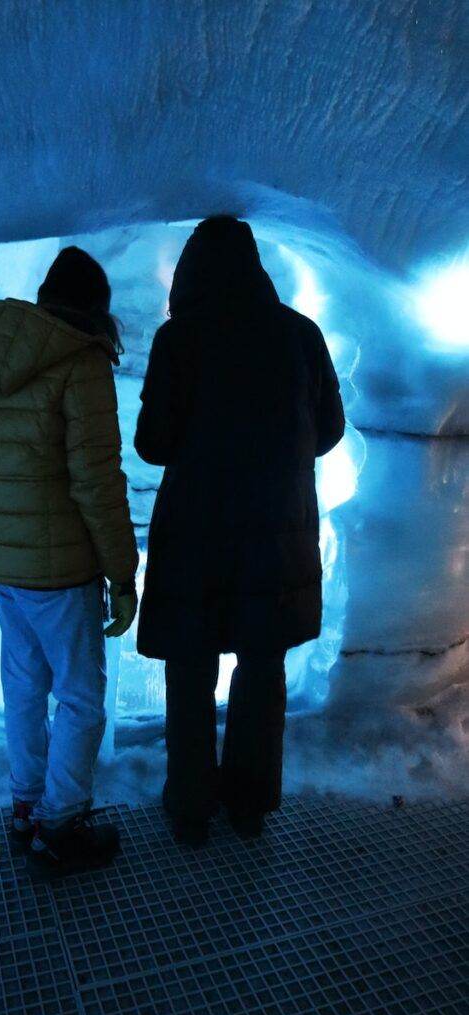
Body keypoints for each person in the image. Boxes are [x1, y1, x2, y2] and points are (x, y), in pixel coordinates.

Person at [134, 216, 345, 848]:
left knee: (191, 669)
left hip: (196, 539)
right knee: (261, 668)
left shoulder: (180, 339)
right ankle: (249, 806)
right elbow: (330, 430)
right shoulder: (300, 335)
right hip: (276, 537)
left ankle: (191, 808)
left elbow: (153, 443)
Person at [0, 247, 138, 878]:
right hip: (61, 572)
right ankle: (59, 826)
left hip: (6, 568)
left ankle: (26, 808)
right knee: (82, 699)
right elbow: (96, 479)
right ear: (96, 307)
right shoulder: (80, 361)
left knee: (24, 690)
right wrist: (123, 572)